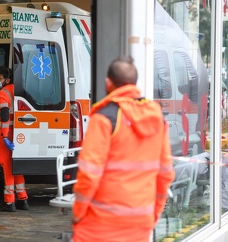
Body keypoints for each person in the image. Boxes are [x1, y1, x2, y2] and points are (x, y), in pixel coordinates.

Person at [72, 56, 175, 242]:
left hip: (101, 222)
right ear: (134, 84)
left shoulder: (104, 118)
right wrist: (154, 213)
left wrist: (78, 212)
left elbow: (89, 174)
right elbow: (165, 173)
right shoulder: (157, 118)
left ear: (108, 83)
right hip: (141, 221)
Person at [0, 66, 29, 212]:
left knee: (7, 167)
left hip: (6, 135)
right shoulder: (19, 90)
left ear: (7, 79)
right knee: (17, 167)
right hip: (19, 134)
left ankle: (9, 202)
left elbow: (5, 115)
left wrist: (5, 136)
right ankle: (23, 198)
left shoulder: (2, 94)